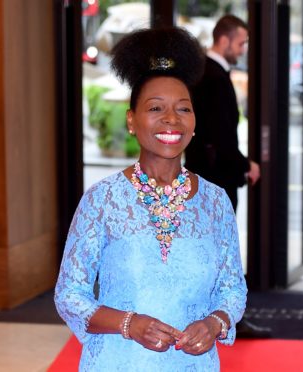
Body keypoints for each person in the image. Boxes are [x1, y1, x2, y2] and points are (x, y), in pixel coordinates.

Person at [54, 27, 247, 371]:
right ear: (132, 120)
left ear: (194, 121)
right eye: (155, 107)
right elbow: (69, 295)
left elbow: (233, 290)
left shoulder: (216, 202)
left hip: (193, 364)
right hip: (118, 362)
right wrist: (130, 324)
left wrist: (215, 323)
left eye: (183, 109)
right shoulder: (102, 200)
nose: (171, 119)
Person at [184, 15, 271, 339]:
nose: (244, 48)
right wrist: (245, 165)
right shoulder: (214, 77)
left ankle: (218, 316)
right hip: (216, 178)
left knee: (210, 249)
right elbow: (220, 136)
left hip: (205, 176)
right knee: (221, 252)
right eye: (242, 42)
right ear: (224, 40)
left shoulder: (203, 74)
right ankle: (228, 318)